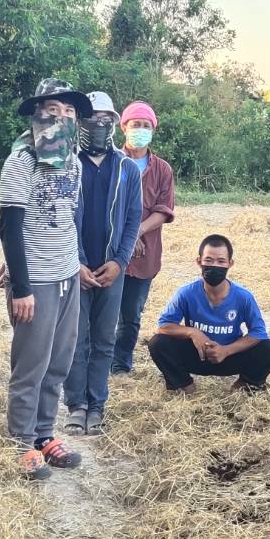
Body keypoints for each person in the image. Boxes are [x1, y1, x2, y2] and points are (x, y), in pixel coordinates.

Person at [0, 78, 92, 479]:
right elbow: (10, 225)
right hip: (36, 279)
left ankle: (43, 433)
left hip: (67, 274)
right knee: (31, 364)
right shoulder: (20, 161)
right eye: (53, 110)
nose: (61, 117)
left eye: (69, 112)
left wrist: (77, 266)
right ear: (38, 115)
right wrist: (20, 284)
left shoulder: (73, 161)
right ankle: (21, 441)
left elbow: (73, 218)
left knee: (58, 363)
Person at [64, 91, 143, 436]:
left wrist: (120, 262)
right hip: (74, 269)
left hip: (113, 270)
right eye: (91, 118)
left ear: (114, 123)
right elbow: (62, 217)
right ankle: (75, 405)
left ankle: (97, 404)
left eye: (105, 118)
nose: (99, 124)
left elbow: (133, 218)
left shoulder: (127, 168)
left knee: (104, 339)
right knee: (75, 337)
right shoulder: (66, 163)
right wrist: (76, 262)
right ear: (80, 122)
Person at [148, 235, 270, 392]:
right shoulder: (186, 293)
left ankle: (246, 383)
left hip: (229, 356)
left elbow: (259, 333)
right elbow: (163, 326)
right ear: (199, 261)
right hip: (196, 355)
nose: (214, 266)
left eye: (221, 261)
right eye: (209, 260)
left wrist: (226, 350)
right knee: (158, 343)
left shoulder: (243, 297)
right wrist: (192, 332)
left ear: (230, 263)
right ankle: (182, 384)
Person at [111, 101, 175, 375]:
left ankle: (121, 365)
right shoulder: (112, 162)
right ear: (123, 127)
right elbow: (105, 207)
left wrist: (136, 231)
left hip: (145, 253)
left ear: (153, 130)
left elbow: (163, 210)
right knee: (102, 310)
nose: (140, 129)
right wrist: (125, 236)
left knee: (131, 314)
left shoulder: (162, 170)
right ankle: (95, 359)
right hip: (109, 250)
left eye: (146, 125)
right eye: (135, 124)